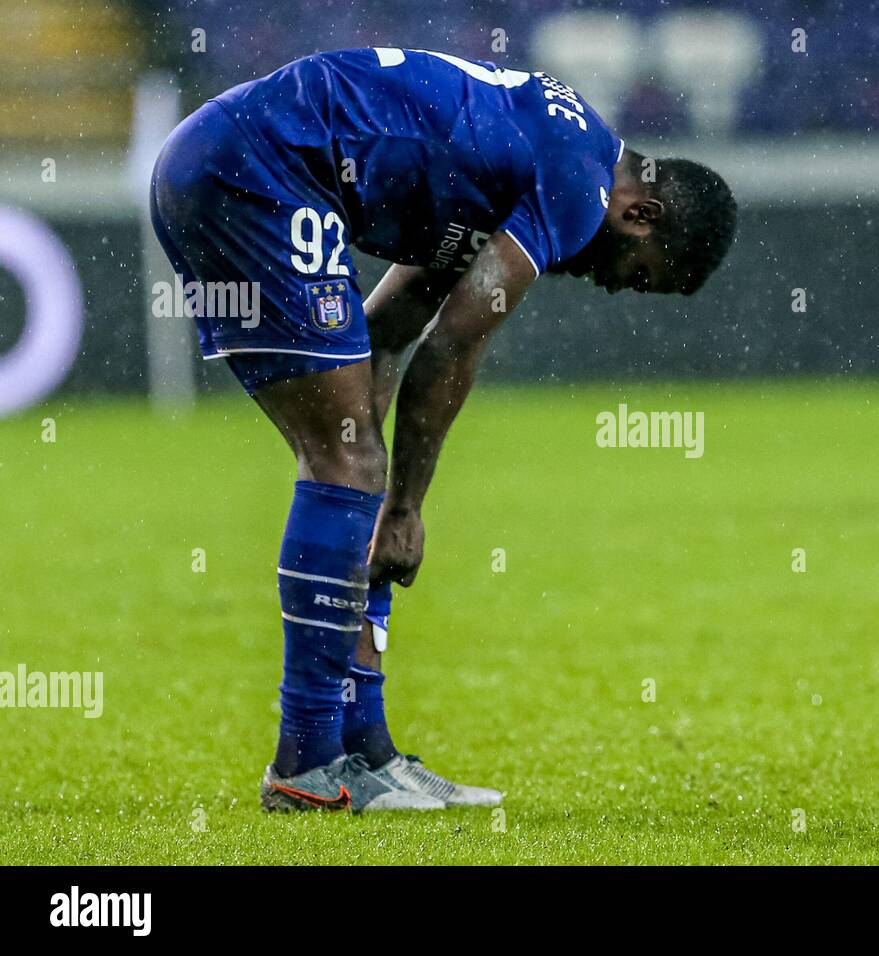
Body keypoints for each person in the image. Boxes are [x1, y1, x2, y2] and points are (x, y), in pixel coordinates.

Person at [150, 48, 737, 812]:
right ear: (640, 213)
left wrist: (380, 486)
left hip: (227, 157)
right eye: (636, 273)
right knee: (346, 465)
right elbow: (452, 346)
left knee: (353, 461)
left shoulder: (537, 151)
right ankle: (306, 765)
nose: (612, 284)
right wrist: (400, 508)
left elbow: (393, 331)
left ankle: (363, 752)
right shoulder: (575, 184)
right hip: (256, 170)